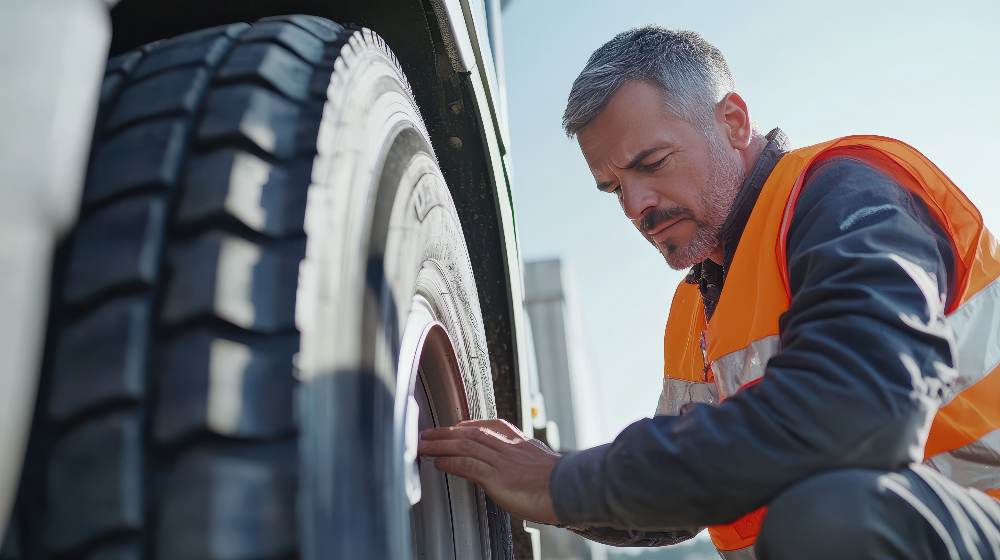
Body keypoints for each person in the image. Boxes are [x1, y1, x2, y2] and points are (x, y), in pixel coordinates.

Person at [417, 26, 1000, 559]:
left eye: (652, 163)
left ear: (734, 122)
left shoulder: (846, 194)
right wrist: (547, 476)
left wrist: (562, 483)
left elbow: (861, 411)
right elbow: (680, 492)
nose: (636, 207)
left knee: (828, 516)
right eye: (613, 188)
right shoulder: (695, 311)